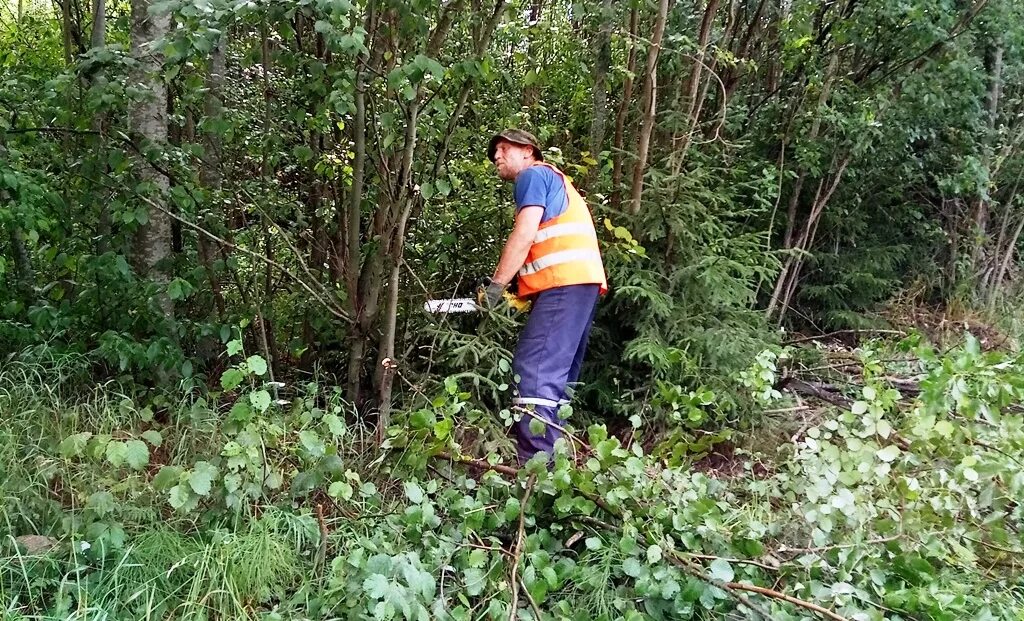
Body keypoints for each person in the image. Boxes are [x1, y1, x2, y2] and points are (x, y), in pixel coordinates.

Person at [481, 129, 607, 465]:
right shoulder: (557, 180)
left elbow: (525, 234)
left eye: (503, 149)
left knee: (534, 374)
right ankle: (560, 470)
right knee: (557, 382)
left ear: (527, 151)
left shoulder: (533, 175)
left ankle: (537, 475)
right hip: (580, 285)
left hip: (564, 284)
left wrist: (495, 288)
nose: (496, 156)